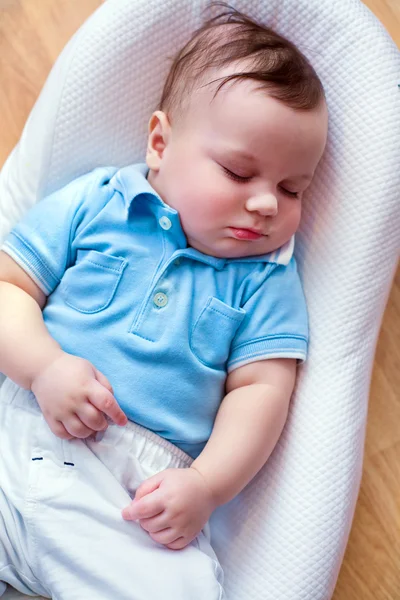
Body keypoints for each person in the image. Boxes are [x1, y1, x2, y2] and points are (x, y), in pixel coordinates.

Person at [0, 4, 328, 599]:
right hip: (21, 420)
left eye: (291, 189)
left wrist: (206, 486)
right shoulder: (100, 201)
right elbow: (8, 289)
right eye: (237, 172)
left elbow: (261, 394)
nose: (265, 205)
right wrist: (43, 367)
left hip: (132, 496)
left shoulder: (267, 282)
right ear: (159, 142)